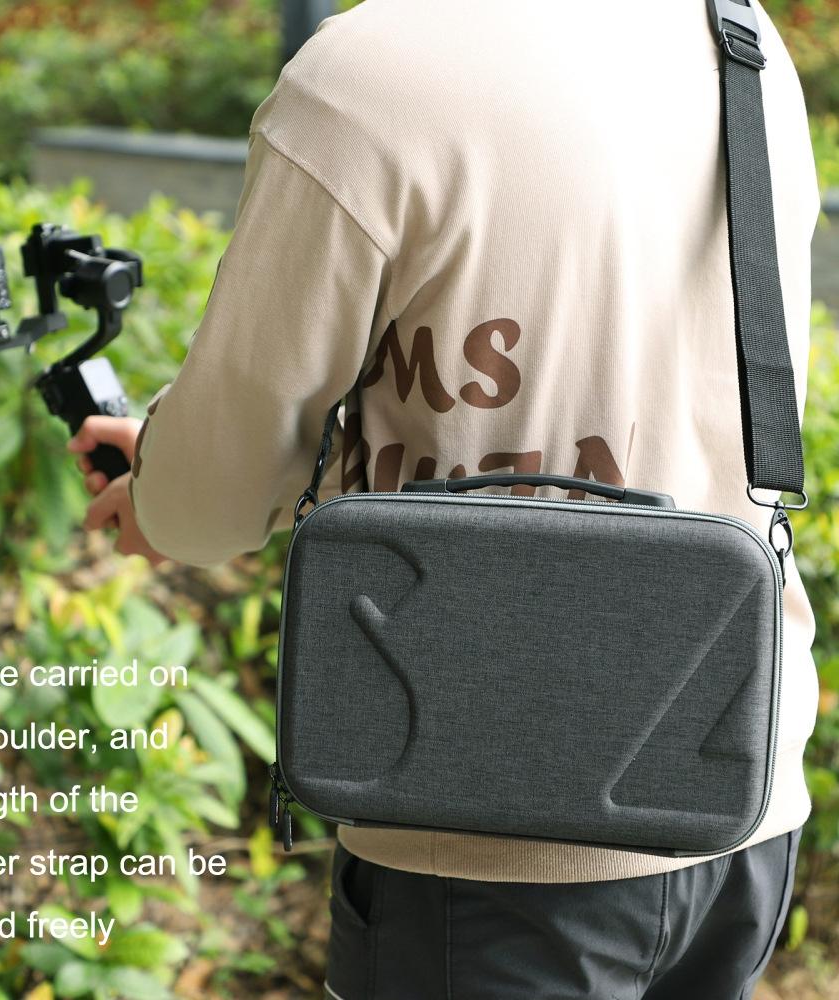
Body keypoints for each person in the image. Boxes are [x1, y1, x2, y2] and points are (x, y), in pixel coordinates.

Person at [69, 1, 821, 996]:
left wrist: (165, 491)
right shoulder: (735, 34)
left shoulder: (366, 79)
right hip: (734, 785)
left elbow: (212, 495)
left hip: (488, 831)